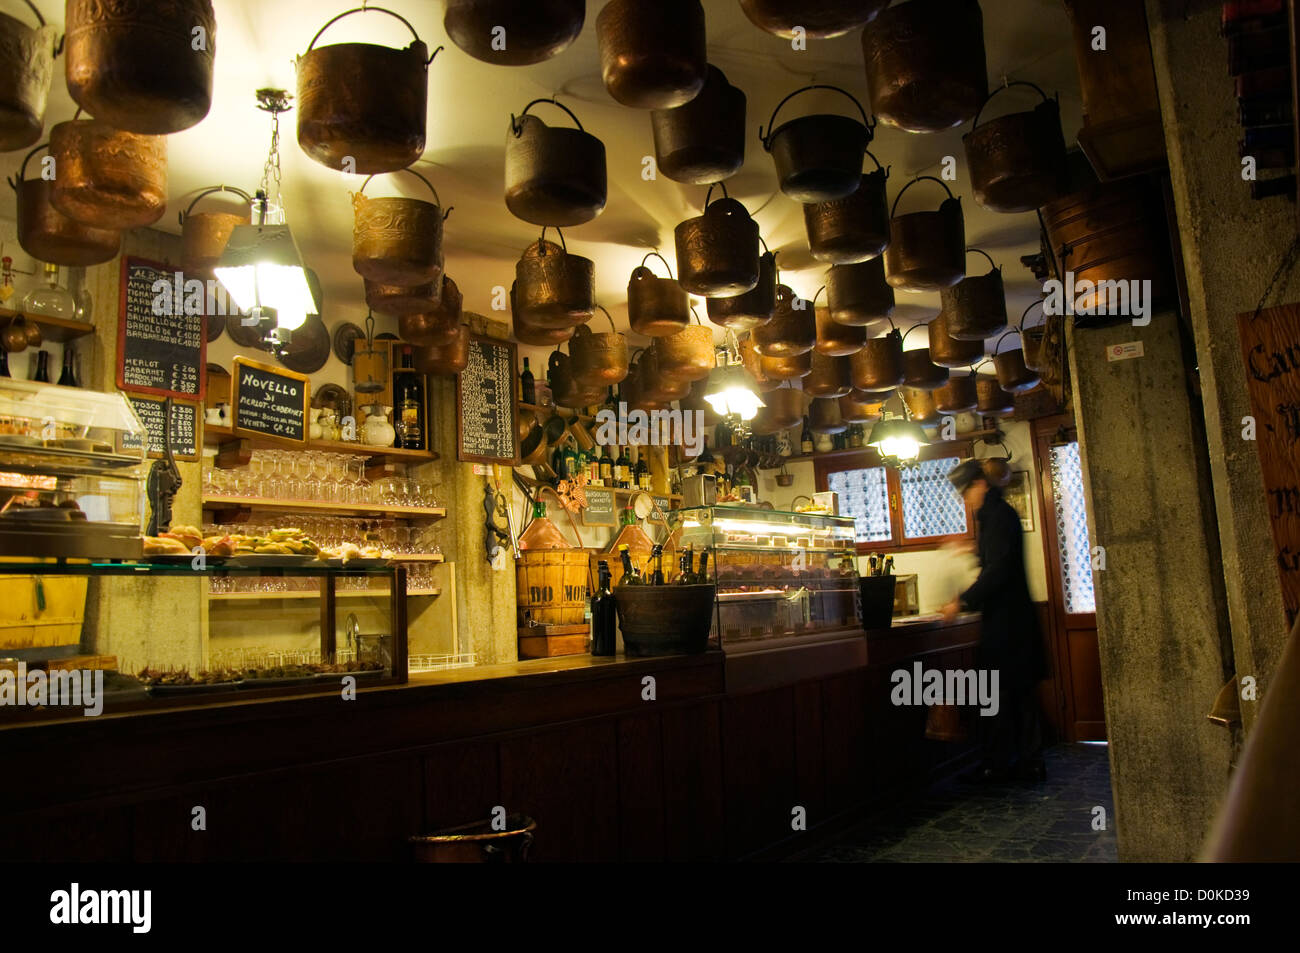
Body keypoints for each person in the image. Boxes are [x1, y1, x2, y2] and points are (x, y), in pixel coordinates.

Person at [942, 458, 1048, 783]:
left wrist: (962, 601)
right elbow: (998, 562)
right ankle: (1023, 762)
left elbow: (999, 571)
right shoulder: (996, 515)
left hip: (1008, 624)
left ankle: (1004, 764)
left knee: (1003, 695)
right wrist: (971, 552)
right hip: (1012, 621)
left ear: (980, 484)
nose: (965, 499)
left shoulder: (996, 516)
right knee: (1015, 695)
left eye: (966, 492)